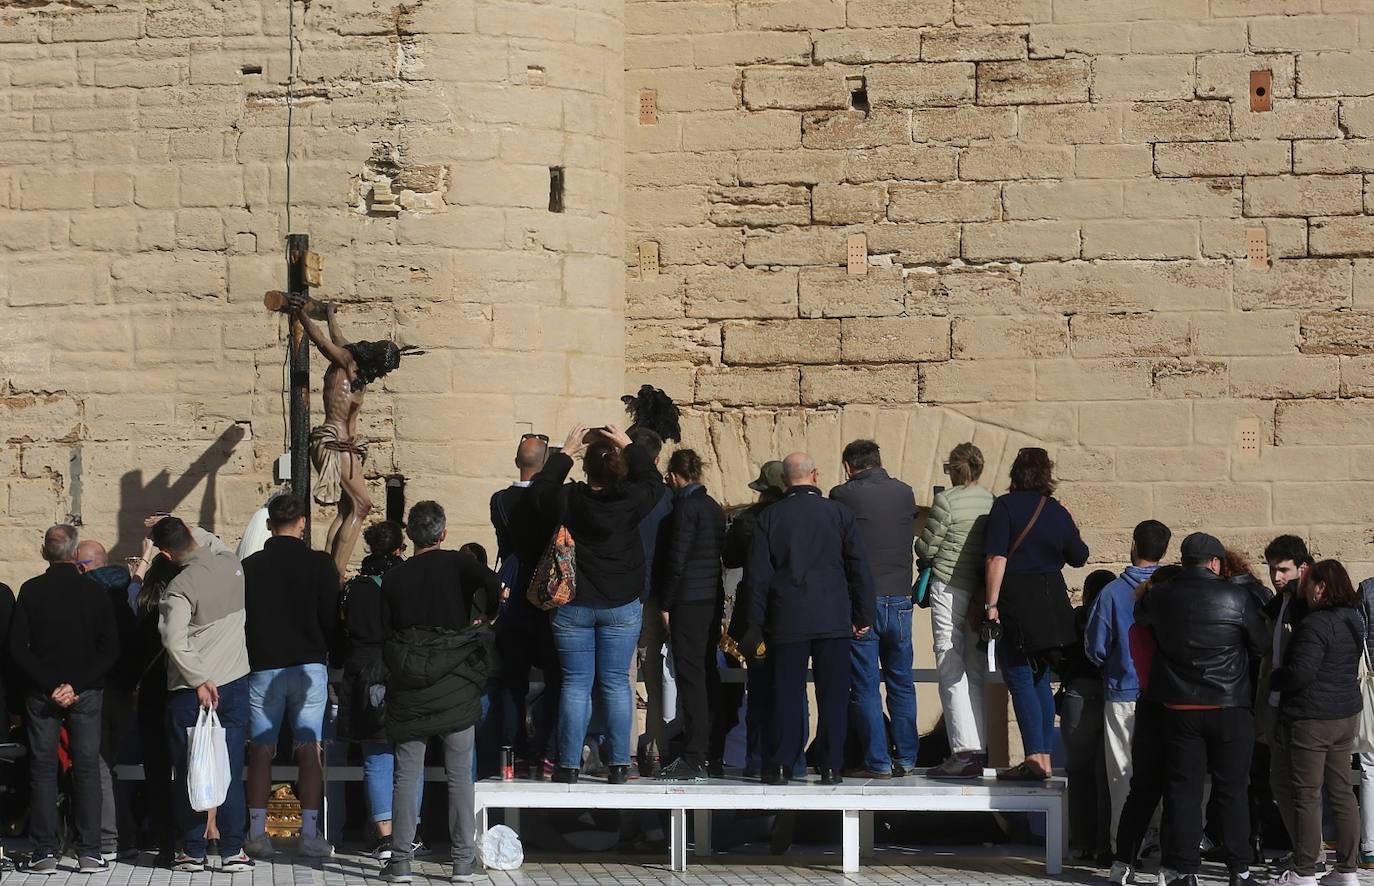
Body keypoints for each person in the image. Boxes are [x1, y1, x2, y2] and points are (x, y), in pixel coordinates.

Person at [529, 424, 662, 784]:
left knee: (576, 685)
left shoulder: (570, 499)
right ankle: (619, 764)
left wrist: (564, 454)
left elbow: (539, 492)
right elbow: (654, 483)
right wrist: (630, 445)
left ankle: (569, 764)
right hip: (620, 604)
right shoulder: (631, 499)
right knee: (617, 683)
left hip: (574, 604)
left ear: (585, 468)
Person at [378, 501, 502, 884]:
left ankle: (400, 862)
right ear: (443, 533)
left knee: (406, 774)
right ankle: (462, 863)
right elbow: (493, 584)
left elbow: (389, 627)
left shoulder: (396, 576)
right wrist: (487, 615)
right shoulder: (458, 563)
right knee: (460, 775)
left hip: (411, 682)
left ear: (410, 536)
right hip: (454, 679)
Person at [1136, 532, 1268, 886]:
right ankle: (1239, 870)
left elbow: (1141, 617)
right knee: (1233, 790)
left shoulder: (1162, 596)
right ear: (1215, 563)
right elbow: (1260, 645)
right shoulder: (1237, 596)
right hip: (1230, 706)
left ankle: (1186, 871)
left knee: (1183, 790)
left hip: (1180, 707)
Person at [746, 451, 876, 786]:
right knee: (832, 694)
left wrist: (756, 623)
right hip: (833, 615)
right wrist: (863, 613)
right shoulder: (839, 514)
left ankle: (780, 764)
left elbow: (757, 577)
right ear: (815, 475)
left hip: (787, 616)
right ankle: (832, 764)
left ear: (784, 480)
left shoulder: (770, 517)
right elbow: (858, 567)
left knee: (786, 693)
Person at [10, 525, 120, 874]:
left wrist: (51, 683)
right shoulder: (94, 591)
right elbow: (110, 649)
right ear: (75, 555)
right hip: (85, 692)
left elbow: (17, 649)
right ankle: (89, 850)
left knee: (43, 770)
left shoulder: (30, 590)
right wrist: (75, 684)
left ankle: (44, 850)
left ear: (45, 552)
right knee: (86, 768)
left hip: (42, 694)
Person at [151, 516, 253, 873]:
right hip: (235, 682)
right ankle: (232, 850)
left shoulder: (179, 587)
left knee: (189, 769)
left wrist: (197, 679)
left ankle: (192, 850)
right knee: (230, 770)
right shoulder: (231, 563)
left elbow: (174, 641)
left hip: (191, 691)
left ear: (165, 553)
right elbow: (213, 540)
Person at [240, 494, 340, 860]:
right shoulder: (319, 564)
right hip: (309, 664)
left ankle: (256, 834)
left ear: (269, 524)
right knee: (310, 749)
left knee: (261, 751)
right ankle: (310, 833)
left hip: (264, 664)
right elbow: (330, 617)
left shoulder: (251, 567)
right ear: (302, 523)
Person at [983, 447, 1089, 781]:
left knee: (1018, 678)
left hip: (1018, 600)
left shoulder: (1004, 506)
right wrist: (1070, 521)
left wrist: (991, 605)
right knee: (1040, 678)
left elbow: (997, 558)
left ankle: (1034, 758)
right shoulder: (1056, 511)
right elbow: (1079, 557)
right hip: (1053, 603)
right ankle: (1042, 756)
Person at [290, 293, 403, 577]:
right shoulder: (345, 363)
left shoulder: (355, 366)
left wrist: (329, 313)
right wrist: (300, 314)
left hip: (347, 447)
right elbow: (320, 340)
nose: (380, 376)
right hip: (335, 444)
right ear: (375, 359)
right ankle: (336, 575)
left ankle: (328, 567)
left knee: (346, 508)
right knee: (362, 505)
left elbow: (335, 335)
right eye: (382, 369)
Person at [829, 439, 919, 780]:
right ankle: (907, 757)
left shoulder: (842, 495)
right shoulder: (905, 492)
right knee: (902, 681)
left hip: (861, 604)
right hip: (900, 600)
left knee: (865, 686)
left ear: (849, 467)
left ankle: (878, 761)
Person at [1269, 560, 1364, 886]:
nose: (1305, 589)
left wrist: (1274, 678)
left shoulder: (1315, 625)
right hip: (1344, 716)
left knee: (1307, 795)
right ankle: (1347, 870)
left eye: (1309, 583)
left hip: (1312, 720)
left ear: (1321, 586)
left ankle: (1304, 871)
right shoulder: (1353, 619)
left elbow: (1300, 674)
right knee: (1341, 792)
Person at [1083, 519, 1170, 858]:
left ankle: (1126, 847)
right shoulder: (1170, 588)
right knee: (1164, 770)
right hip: (1165, 693)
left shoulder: (1113, 593)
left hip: (1123, 688)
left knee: (1122, 773)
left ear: (1133, 545)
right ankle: (1161, 843)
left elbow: (1096, 648)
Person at [337, 521, 422, 860]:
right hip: (402, 667)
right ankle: (409, 833)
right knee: (410, 756)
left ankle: (385, 835)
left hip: (364, 671)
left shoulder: (355, 588)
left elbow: (342, 632)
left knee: (376, 756)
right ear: (400, 549)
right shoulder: (409, 582)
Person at [915, 442, 994, 779]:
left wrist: (924, 547)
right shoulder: (991, 500)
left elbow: (927, 545)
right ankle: (981, 748)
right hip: (979, 590)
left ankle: (962, 751)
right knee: (977, 668)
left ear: (955, 470)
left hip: (948, 584)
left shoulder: (946, 501)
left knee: (950, 664)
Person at [490, 433, 560, 777]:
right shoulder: (551, 499)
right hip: (546, 591)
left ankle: (513, 750)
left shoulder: (500, 500)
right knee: (558, 677)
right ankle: (546, 748)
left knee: (512, 680)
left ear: (518, 461)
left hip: (514, 587)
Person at [724, 461, 798, 779]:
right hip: (794, 615)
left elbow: (731, 557)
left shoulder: (750, 522)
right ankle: (794, 761)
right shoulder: (802, 519)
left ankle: (756, 758)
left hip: (757, 617)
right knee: (793, 692)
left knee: (758, 690)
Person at [656, 448, 726, 782]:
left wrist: (665, 604)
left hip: (687, 601)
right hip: (710, 599)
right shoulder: (713, 507)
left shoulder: (684, 508)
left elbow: (678, 559)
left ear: (673, 475)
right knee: (706, 673)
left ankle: (694, 753)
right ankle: (710, 748)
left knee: (690, 677)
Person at [1110, 564, 1182, 884]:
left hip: (1147, 706)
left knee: (1141, 792)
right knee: (1175, 791)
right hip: (1174, 708)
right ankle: (1168, 867)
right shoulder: (1172, 629)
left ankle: (1122, 861)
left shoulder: (1137, 624)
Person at [74, 539, 141, 862]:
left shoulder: (87, 597)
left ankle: (110, 838)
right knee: (116, 766)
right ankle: (126, 834)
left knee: (98, 765)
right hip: (128, 691)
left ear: (83, 567)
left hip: (98, 690)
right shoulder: (126, 592)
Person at [1260, 534, 1315, 856]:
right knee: (1280, 782)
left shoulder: (1307, 604)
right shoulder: (1279, 602)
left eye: (1283, 570)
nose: (1276, 577)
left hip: (1301, 707)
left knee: (1305, 789)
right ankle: (1305, 852)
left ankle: (1311, 857)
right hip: (1276, 704)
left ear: (1302, 568)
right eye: (1272, 570)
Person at [631, 426, 675, 777]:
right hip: (653, 597)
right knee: (655, 679)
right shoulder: (668, 497)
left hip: (619, 596)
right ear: (657, 459)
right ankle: (657, 748)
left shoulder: (616, 492)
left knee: (616, 680)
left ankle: (622, 752)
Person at [1062, 569, 1115, 865]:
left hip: (1079, 693)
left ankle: (1081, 843)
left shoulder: (1077, 617)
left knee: (1079, 774)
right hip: (1109, 692)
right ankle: (1105, 844)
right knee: (1106, 775)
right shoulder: (1117, 612)